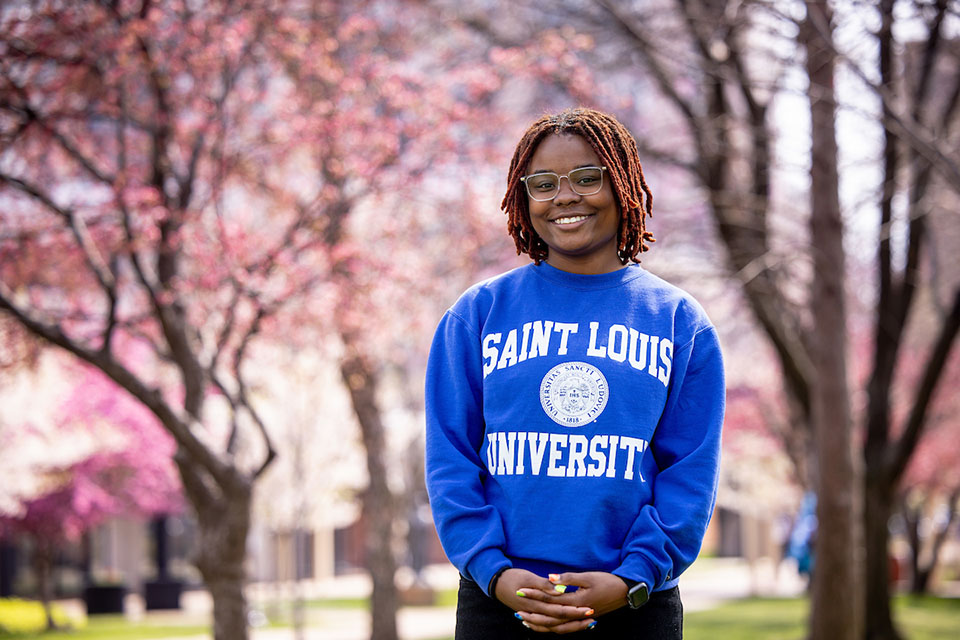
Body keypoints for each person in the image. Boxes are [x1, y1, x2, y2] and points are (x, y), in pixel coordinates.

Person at [424, 108, 725, 638]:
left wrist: (632, 578)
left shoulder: (679, 322)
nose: (565, 197)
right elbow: (451, 459)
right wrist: (495, 572)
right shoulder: (476, 316)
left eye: (588, 178)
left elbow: (689, 473)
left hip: (633, 605)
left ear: (623, 185)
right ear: (523, 198)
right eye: (543, 184)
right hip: (500, 602)